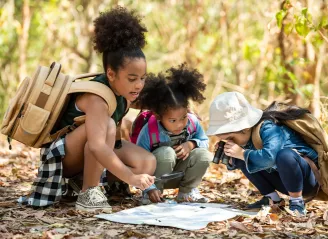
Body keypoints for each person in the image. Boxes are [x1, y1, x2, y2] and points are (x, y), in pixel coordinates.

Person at [20, 7, 156, 212]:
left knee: (147, 161)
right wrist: (131, 177)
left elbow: (157, 103)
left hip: (94, 147)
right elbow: (97, 146)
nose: (139, 85)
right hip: (63, 157)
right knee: (108, 127)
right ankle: (88, 191)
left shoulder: (125, 93)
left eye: (142, 78)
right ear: (111, 74)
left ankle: (96, 183)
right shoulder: (97, 98)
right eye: (132, 79)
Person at [206, 92, 319, 215]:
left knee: (284, 155)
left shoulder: (269, 128)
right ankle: (273, 199)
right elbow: (240, 163)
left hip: (304, 181)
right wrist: (231, 156)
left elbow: (270, 158)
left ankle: (297, 202)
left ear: (245, 127)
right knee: (243, 156)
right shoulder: (245, 138)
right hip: (281, 180)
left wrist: (242, 153)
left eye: (230, 138)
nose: (229, 142)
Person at [136, 63, 212, 204]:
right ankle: (153, 194)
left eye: (183, 117)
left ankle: (187, 192)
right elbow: (139, 161)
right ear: (159, 116)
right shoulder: (149, 131)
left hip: (180, 175)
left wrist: (191, 144)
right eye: (172, 120)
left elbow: (205, 142)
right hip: (156, 178)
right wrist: (149, 187)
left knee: (204, 155)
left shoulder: (192, 123)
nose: (180, 124)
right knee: (166, 153)